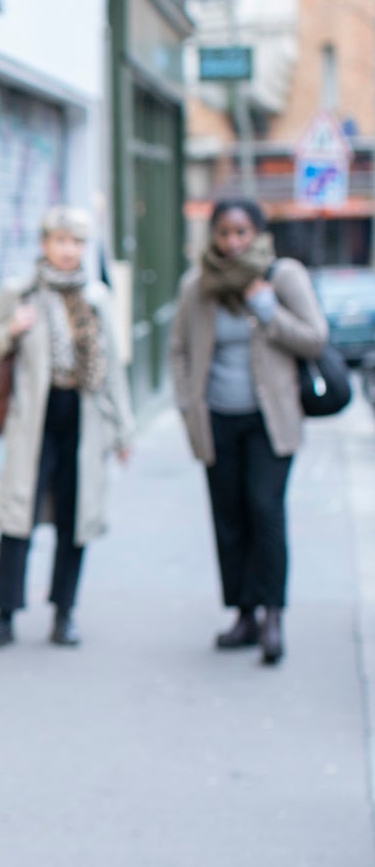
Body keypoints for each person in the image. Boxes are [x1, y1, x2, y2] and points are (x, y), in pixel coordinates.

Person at [169, 197, 326, 665]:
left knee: (265, 510)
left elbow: (316, 337)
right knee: (229, 519)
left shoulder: (284, 277)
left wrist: (267, 309)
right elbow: (178, 349)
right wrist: (185, 403)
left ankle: (273, 614)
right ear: (212, 237)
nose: (232, 242)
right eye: (223, 233)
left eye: (241, 232)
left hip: (270, 421)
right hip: (217, 419)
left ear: (258, 234)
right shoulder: (197, 285)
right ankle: (243, 614)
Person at [0, 206, 133, 649]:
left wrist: (123, 431)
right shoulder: (21, 292)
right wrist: (11, 327)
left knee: (74, 517)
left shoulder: (98, 298)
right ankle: (4, 614)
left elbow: (114, 371)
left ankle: (64, 613)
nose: (69, 250)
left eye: (77, 242)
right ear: (45, 244)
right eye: (61, 241)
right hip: (33, 421)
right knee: (16, 516)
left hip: (82, 419)